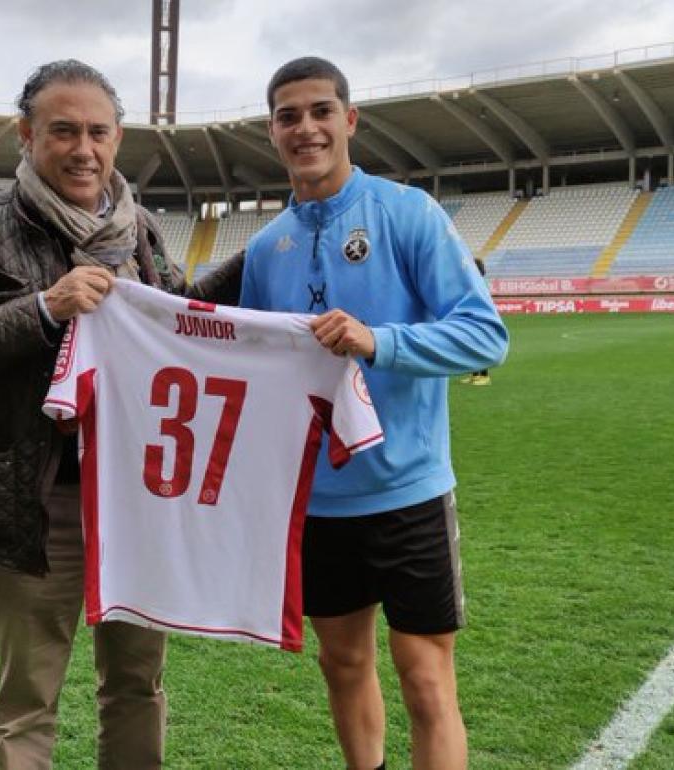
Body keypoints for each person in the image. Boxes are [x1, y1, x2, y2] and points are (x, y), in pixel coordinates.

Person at [0, 60, 241, 770]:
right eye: (63, 131)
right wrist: (43, 308)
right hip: (33, 499)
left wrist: (260, 253)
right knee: (28, 699)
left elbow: (181, 315)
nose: (83, 148)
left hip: (138, 500)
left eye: (98, 132)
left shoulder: (139, 228)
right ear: (26, 136)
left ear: (117, 140)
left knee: (137, 686)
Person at [239, 57, 508, 770]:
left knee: (425, 677)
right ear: (273, 131)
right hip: (321, 504)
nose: (306, 128)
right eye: (288, 116)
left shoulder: (408, 213)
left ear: (349, 120)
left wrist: (377, 341)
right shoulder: (266, 250)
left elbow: (486, 334)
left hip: (409, 491)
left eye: (321, 111)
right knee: (342, 664)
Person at [462, 258, 491, 385]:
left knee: (479, 345)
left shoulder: (480, 283)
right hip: (473, 316)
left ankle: (485, 376)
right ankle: (474, 374)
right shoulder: (474, 281)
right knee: (471, 345)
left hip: (481, 317)